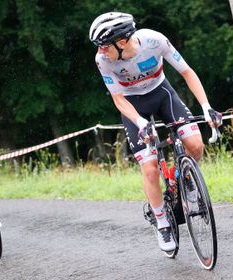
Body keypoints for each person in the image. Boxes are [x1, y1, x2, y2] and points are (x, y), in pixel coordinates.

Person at [89, 12, 222, 252]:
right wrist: (140, 122)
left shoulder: (154, 41)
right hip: (132, 106)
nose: (100, 51)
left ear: (121, 42)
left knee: (195, 144)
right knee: (150, 168)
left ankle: (187, 182)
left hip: (162, 94)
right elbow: (118, 99)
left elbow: (187, 72)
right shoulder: (103, 61)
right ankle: (162, 222)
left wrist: (206, 106)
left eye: (103, 46)